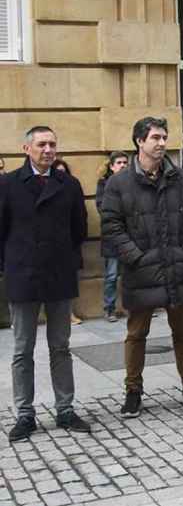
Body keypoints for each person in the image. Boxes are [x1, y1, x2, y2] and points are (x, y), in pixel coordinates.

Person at [101, 117, 183, 418]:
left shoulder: (181, 177)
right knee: (136, 334)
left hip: (178, 267)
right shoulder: (119, 182)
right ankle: (133, 391)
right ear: (139, 141)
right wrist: (136, 257)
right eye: (155, 137)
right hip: (141, 272)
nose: (162, 143)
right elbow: (111, 226)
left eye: (164, 137)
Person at [0, 126, 90, 442]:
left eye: (52, 144)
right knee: (22, 349)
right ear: (26, 148)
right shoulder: (8, 184)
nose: (48, 149)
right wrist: (11, 265)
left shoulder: (69, 184)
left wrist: (61, 256)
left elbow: (79, 229)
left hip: (58, 275)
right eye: (41, 144)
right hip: (23, 276)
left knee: (60, 346)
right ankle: (25, 415)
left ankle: (65, 409)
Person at [52, 159, 86, 327]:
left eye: (63, 172)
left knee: (68, 284)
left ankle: (69, 313)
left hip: (68, 246)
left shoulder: (72, 187)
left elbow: (80, 218)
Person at [96, 151, 129, 322]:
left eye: (125, 162)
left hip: (131, 238)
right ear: (111, 166)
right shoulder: (104, 184)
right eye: (119, 163)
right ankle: (109, 309)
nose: (123, 165)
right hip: (113, 239)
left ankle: (134, 306)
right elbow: (104, 210)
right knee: (111, 275)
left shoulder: (132, 182)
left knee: (132, 275)